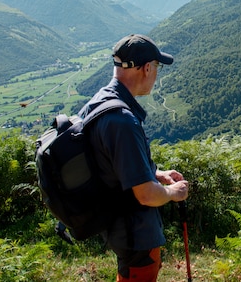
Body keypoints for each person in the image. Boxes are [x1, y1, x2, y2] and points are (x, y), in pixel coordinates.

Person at [77, 33, 189, 281]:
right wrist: (174, 193)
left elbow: (110, 161)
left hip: (117, 225)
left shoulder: (99, 102)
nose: (156, 73)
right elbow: (146, 195)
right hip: (135, 231)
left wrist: (156, 174)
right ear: (147, 68)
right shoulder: (123, 121)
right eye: (157, 66)